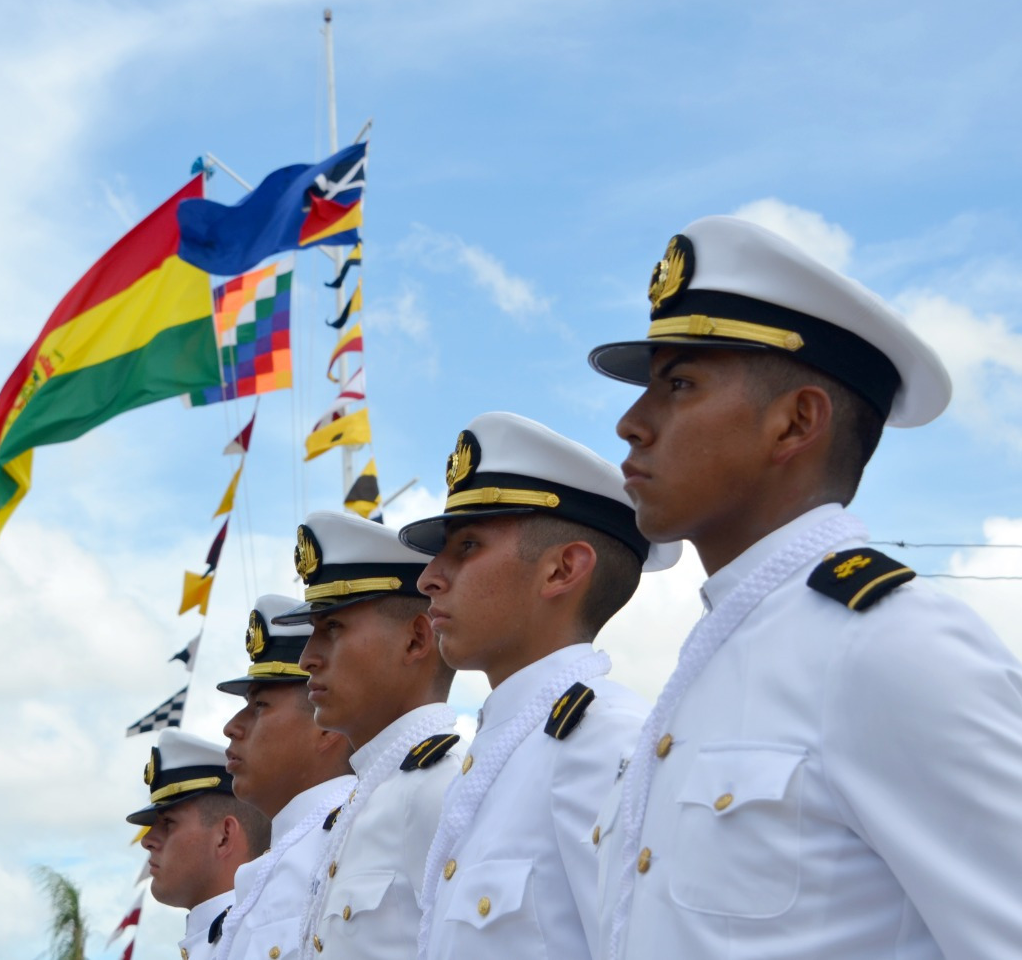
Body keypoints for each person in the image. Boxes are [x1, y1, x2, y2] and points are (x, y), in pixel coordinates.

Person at [585, 216, 1022, 959]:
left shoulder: (893, 645)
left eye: (678, 384)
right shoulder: (710, 662)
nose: (630, 423)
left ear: (795, 422)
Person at [396, 411, 681, 959]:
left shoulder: (603, 744)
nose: (429, 576)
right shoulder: (502, 753)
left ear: (561, 571)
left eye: (468, 547)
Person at [271, 510, 461, 958]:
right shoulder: (364, 802)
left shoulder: (445, 788)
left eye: (331, 629)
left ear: (416, 640)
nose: (306, 660)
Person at [214, 594, 357, 960]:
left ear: (325, 725)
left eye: (260, 705)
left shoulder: (353, 841)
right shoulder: (275, 862)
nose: (232, 727)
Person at [129, 729, 271, 960]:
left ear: (224, 836)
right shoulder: (236, 941)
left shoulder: (262, 946)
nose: (147, 841)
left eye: (168, 823)